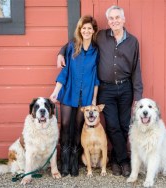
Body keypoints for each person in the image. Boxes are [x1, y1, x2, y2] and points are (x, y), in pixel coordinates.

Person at [57, 5, 143, 177]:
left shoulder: (133, 41)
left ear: (123, 19)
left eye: (117, 18)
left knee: (124, 125)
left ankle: (116, 161)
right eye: (111, 18)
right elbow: (79, 39)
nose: (114, 21)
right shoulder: (101, 36)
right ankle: (124, 161)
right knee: (112, 125)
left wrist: (138, 95)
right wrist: (61, 52)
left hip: (125, 87)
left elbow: (136, 69)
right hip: (107, 88)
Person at [50, 15, 99, 177]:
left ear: (93, 31)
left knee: (78, 127)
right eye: (83, 28)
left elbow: (96, 77)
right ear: (80, 30)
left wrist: (93, 99)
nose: (86, 31)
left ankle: (74, 162)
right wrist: (56, 91)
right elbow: (64, 72)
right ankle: (64, 161)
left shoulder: (95, 51)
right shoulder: (72, 47)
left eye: (89, 28)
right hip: (69, 92)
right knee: (65, 125)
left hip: (85, 96)